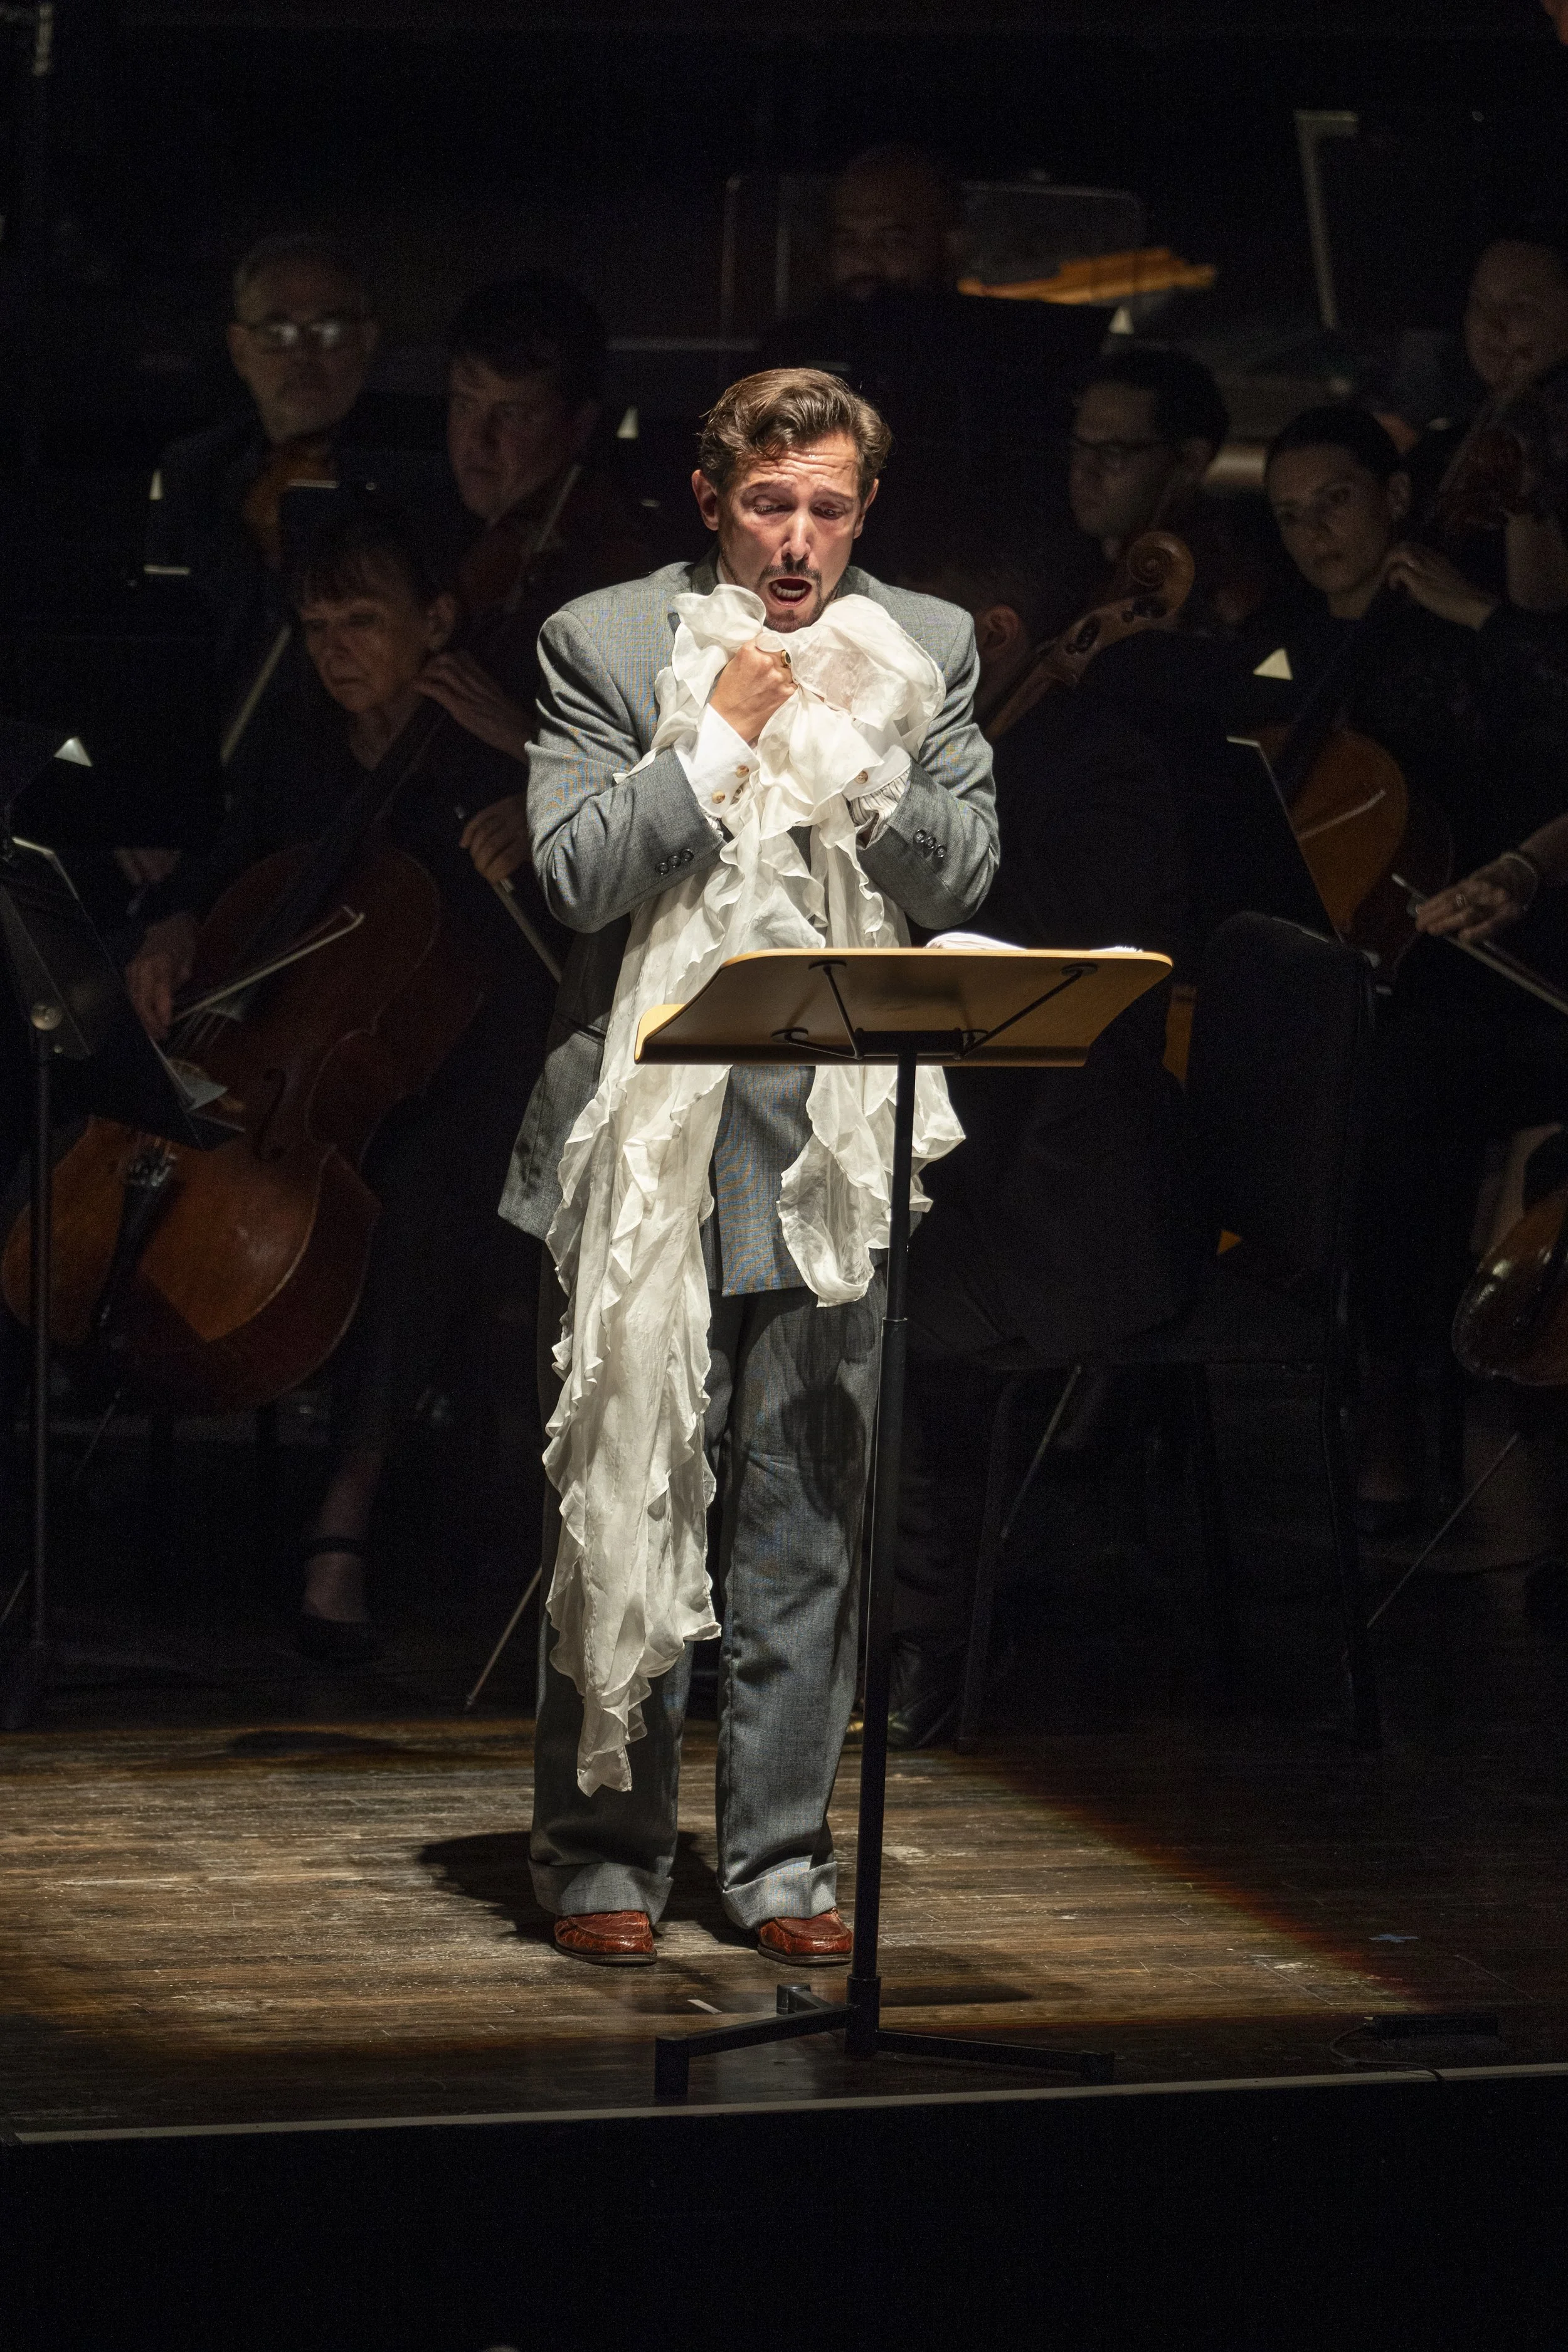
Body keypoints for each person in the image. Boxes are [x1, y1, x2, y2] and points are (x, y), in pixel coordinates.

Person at [505, 366, 997, 1966]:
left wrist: (867, 754)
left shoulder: (927, 645)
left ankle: (780, 1859)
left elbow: (964, 865)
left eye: (830, 508)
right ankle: (600, 1849)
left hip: (823, 1131)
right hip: (643, 1124)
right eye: (770, 504)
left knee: (803, 1506)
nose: (798, 541)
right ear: (714, 500)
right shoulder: (607, 641)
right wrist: (711, 739)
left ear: (864, 512)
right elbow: (577, 876)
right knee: (624, 1478)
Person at [125, 507, 558, 1659]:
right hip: (315, 1073)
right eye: (315, 624)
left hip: (478, 1069)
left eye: (362, 619)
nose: (333, 647)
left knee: (424, 1197)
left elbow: (591, 886)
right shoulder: (303, 744)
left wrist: (534, 766)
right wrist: (172, 928)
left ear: (440, 619)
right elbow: (231, 862)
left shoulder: (498, 745)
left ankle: (346, 1510)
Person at [884, 512, 1200, 1744]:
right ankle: (776, 1612)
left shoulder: (1100, 772)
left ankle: (923, 1639)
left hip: (1062, 1199)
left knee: (860, 1282)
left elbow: (1043, 985)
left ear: (989, 637)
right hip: (960, 1165)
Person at [1246, 405, 1568, 1529]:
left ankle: (1392, 1394)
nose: (1313, 533)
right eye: (1289, 515)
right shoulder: (1285, 640)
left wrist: (1475, 616)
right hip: (1330, 959)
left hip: (1470, 955)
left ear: (1394, 496)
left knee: (1399, 1102)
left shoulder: (1454, 642)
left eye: (1335, 501)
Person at [142, 234, 441, 832]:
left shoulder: (423, 468)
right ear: (239, 348)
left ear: (367, 339)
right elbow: (160, 641)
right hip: (215, 771)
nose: (302, 357)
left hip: (350, 782)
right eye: (276, 333)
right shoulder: (196, 469)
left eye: (328, 330)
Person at [760, 146, 1099, 516]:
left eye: (891, 240)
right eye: (848, 241)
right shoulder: (794, 353)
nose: (864, 261)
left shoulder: (1008, 356)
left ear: (952, 246)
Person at [1407, 227, 1568, 614]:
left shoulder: (1540, 443)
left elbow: (1542, 610)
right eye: (1478, 304)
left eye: (1521, 308)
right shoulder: (1443, 446)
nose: (1490, 326)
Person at [1067, 347, 1264, 632]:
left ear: (1191, 461)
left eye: (1112, 453)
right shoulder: (1100, 566)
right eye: (1079, 448)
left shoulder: (1199, 592)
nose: (1083, 473)